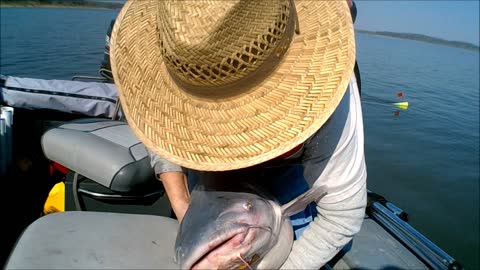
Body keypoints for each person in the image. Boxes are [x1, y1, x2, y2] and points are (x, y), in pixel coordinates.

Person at [109, 0, 367, 268]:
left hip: (293, 173)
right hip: (209, 185)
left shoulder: (327, 94)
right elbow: (159, 129)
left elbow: (342, 215)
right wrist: (183, 206)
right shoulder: (168, 59)